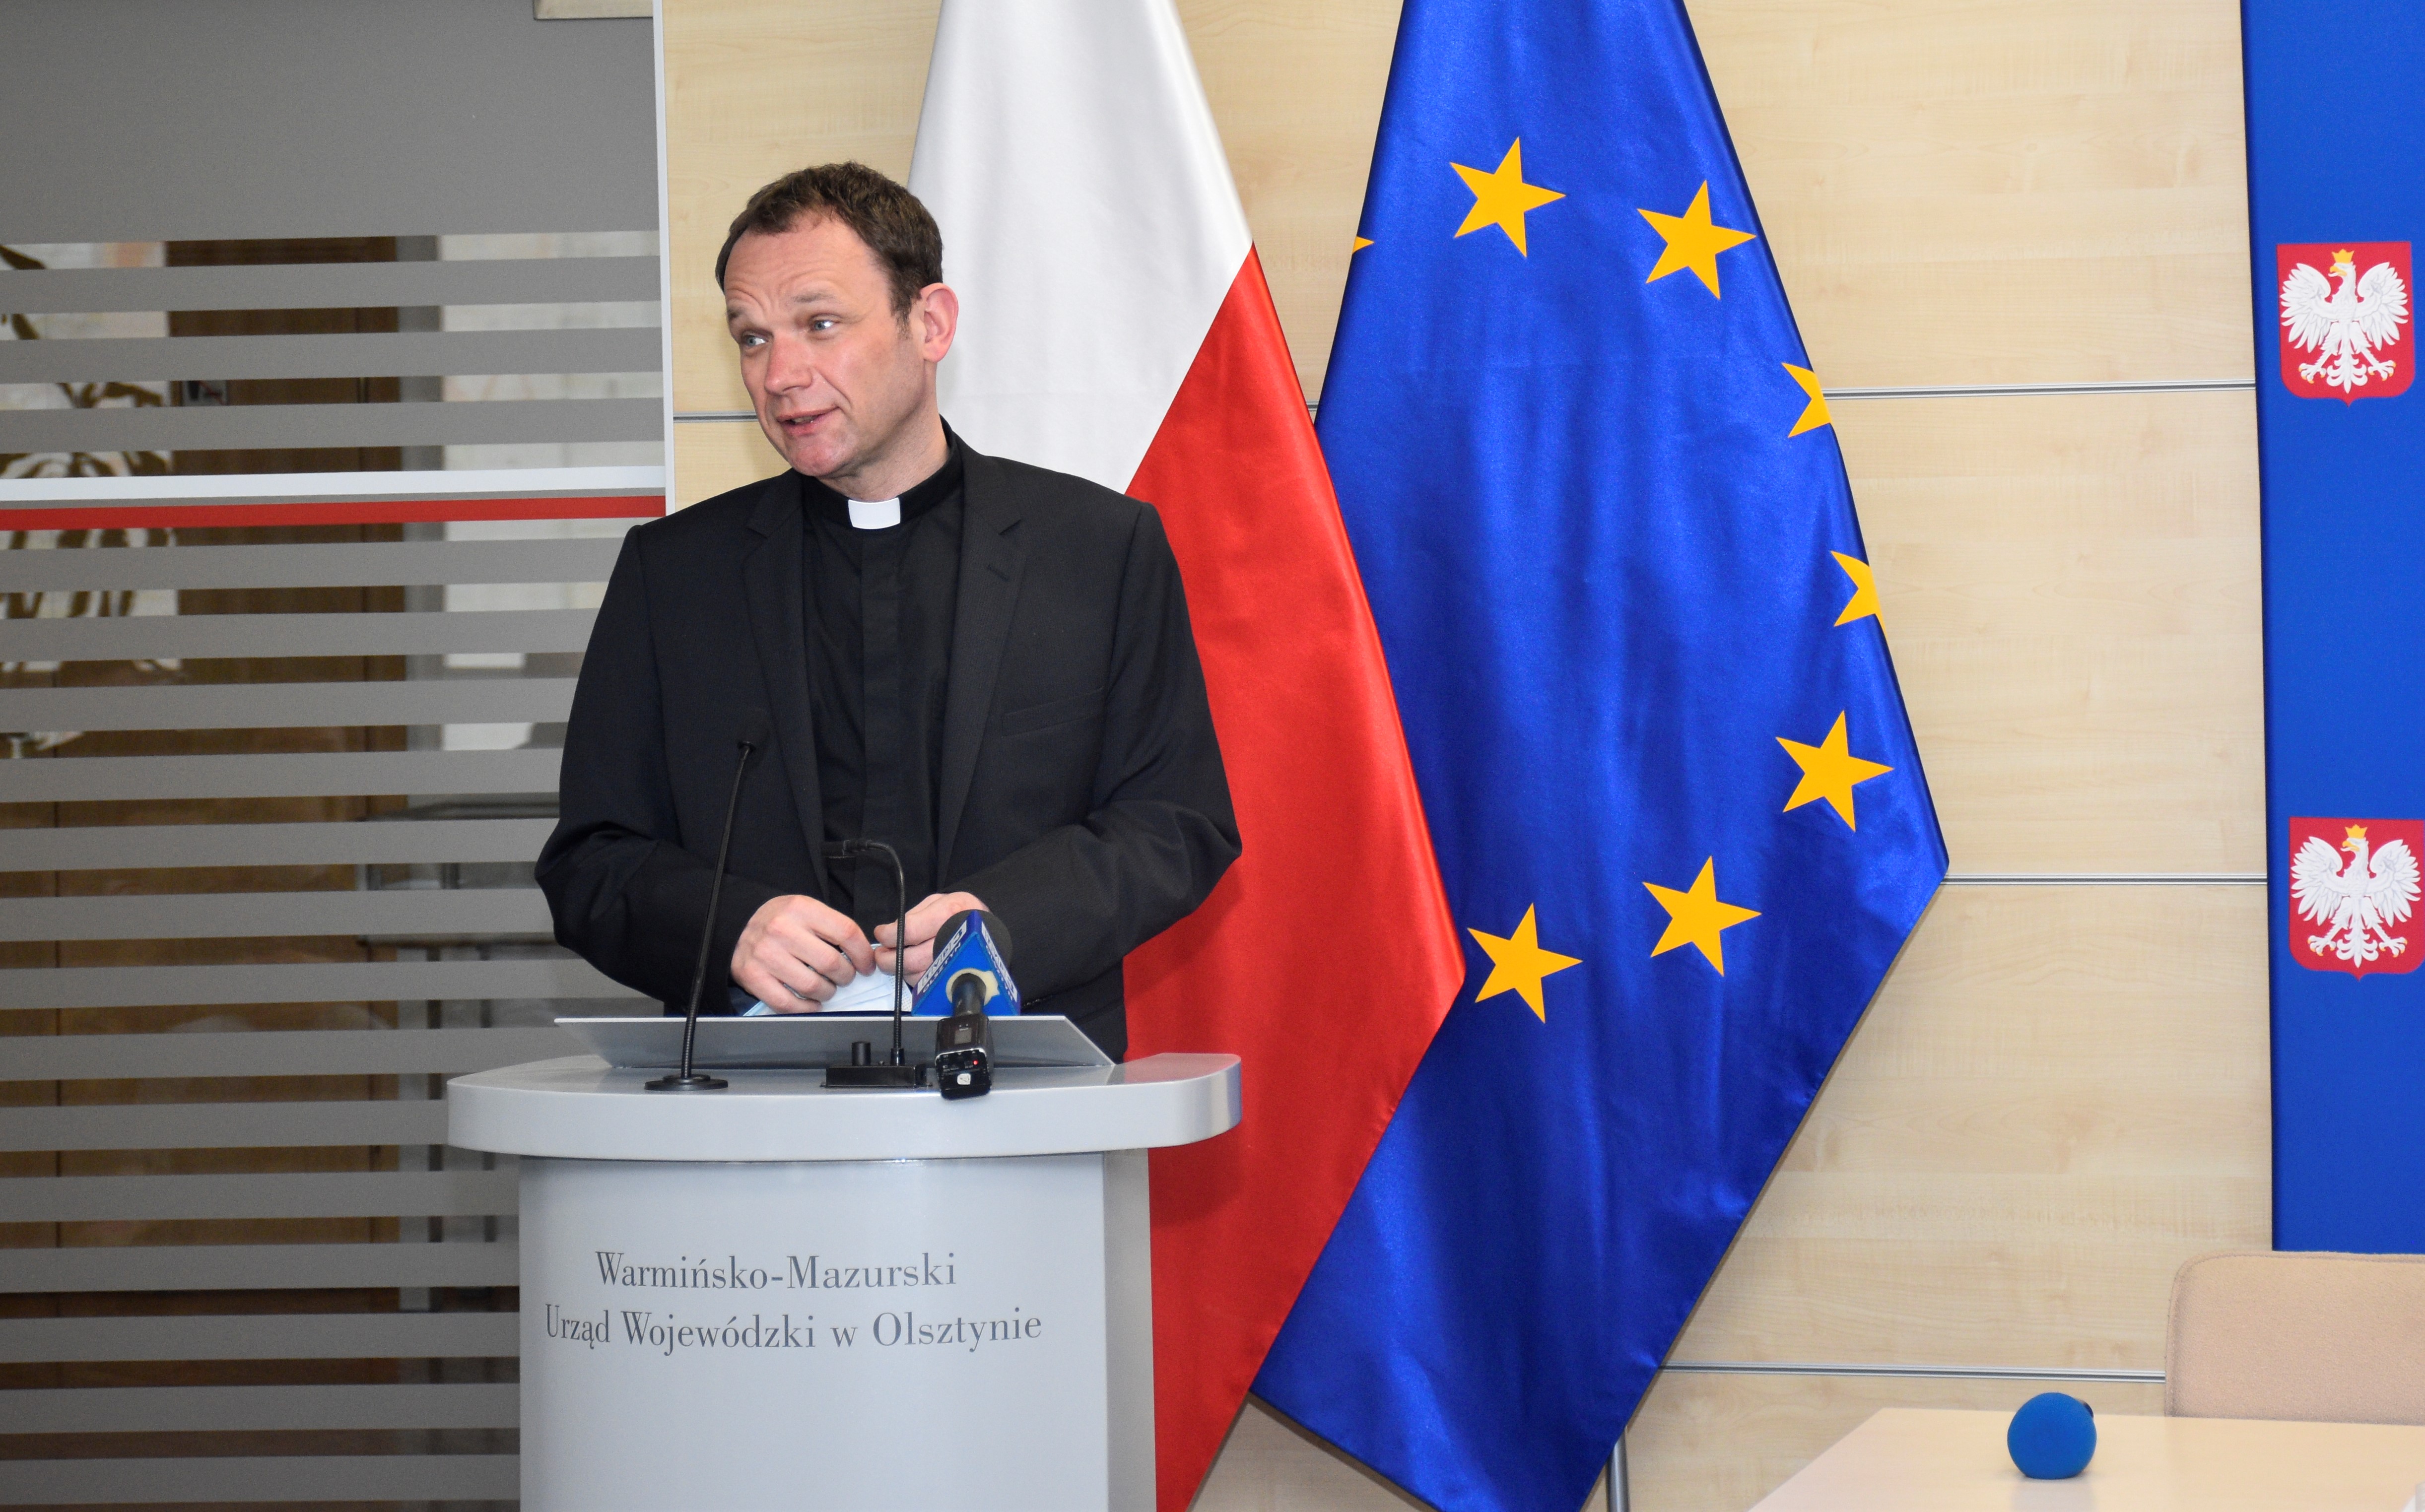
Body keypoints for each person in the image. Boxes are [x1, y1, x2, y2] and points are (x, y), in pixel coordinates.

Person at [537, 163, 1238, 1059]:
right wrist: (729, 928)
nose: (780, 374)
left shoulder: (1097, 549)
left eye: (820, 324)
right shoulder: (674, 573)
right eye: (752, 338)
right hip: (751, 1097)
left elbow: (1175, 823)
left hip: (1022, 1080)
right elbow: (591, 861)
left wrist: (1008, 923)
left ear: (930, 324)